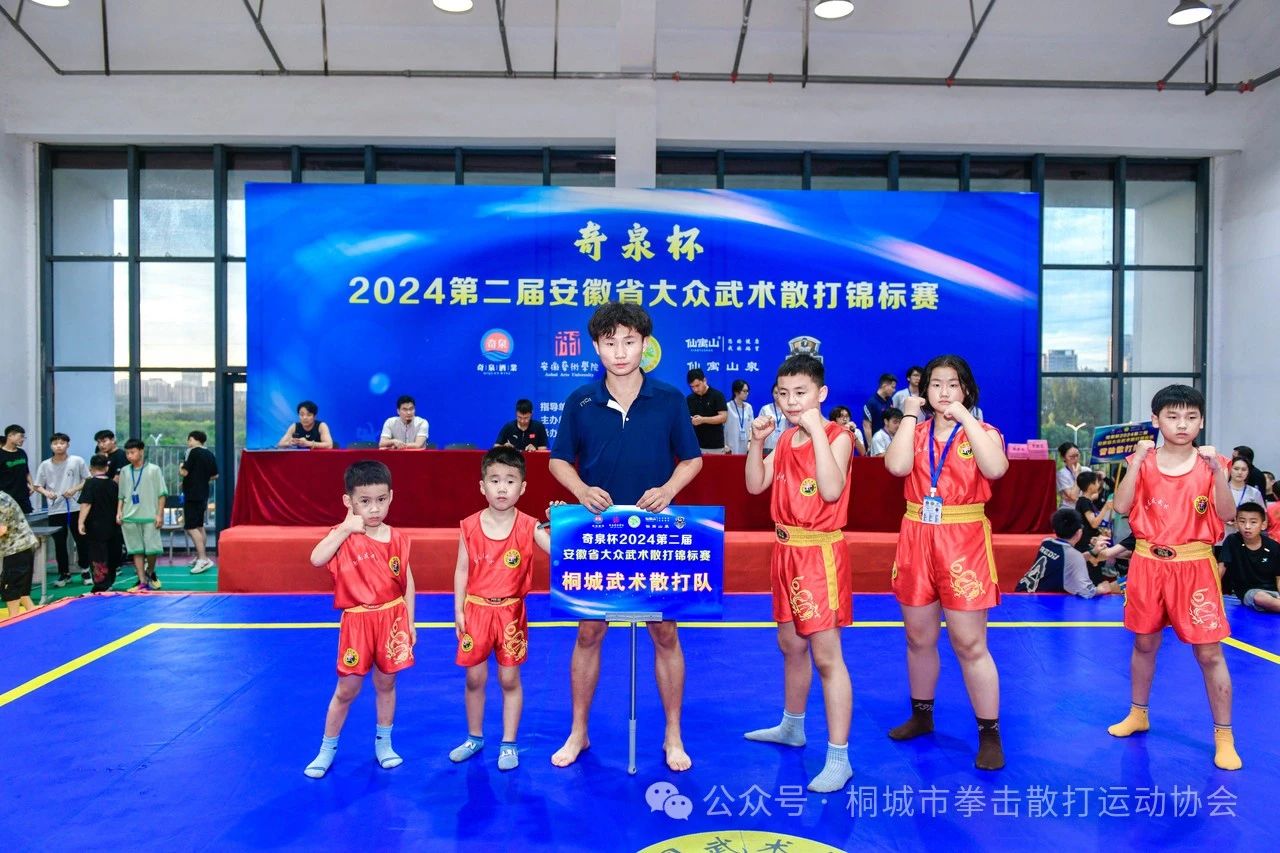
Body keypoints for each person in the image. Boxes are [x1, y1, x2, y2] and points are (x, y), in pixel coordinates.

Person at [548, 302, 703, 772]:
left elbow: (692, 459)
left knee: (665, 632)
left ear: (645, 345)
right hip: (598, 534)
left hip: (656, 535)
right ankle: (579, 731)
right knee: (589, 631)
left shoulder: (670, 399)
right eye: (610, 342)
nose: (620, 352)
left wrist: (668, 489)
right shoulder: (580, 401)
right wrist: (581, 490)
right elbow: (558, 460)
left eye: (629, 342)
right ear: (596, 348)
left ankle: (673, 734)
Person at [884, 354, 1009, 770]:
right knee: (918, 637)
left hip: (963, 540)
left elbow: (996, 468)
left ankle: (989, 733)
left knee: (970, 643)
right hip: (916, 535)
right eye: (935, 384)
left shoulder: (984, 432)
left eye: (952, 384)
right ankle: (922, 715)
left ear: (966, 390)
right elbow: (896, 466)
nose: (943, 391)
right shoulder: (915, 431)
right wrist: (908, 415)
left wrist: (966, 417)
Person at [1107, 384, 1240, 771]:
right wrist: (1136, 461)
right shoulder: (1141, 460)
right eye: (1173, 416)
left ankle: (1224, 735)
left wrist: (1218, 474)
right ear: (1156, 420)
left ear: (1201, 421)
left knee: (1209, 652)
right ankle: (1138, 713)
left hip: (1194, 566)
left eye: (1191, 417)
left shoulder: (1213, 463)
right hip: (1148, 563)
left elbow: (1228, 515)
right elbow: (1121, 506)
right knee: (1144, 643)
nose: (1182, 424)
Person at [742, 353, 856, 793]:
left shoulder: (839, 437)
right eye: (783, 394)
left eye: (801, 393)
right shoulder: (786, 438)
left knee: (827, 656)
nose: (791, 402)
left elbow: (830, 489)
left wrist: (816, 431)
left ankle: (839, 757)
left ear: (821, 393)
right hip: (785, 550)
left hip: (819, 553)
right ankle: (792, 725)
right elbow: (755, 484)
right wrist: (756, 443)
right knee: (790, 644)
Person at [303, 460, 416, 778]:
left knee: (386, 683)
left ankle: (384, 743)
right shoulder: (342, 537)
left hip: (392, 619)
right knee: (347, 689)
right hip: (357, 623)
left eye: (381, 499)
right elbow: (316, 558)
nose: (374, 508)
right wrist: (344, 528)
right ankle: (326, 749)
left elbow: (407, 581)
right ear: (349, 501)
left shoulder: (397, 538)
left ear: (391, 497)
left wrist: (410, 622)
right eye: (364, 501)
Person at [449, 447, 554, 771]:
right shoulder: (469, 526)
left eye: (510, 480)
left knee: (509, 679)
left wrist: (559, 523)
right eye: (494, 480)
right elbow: (462, 569)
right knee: (474, 678)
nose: (502, 488)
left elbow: (559, 551)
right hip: (476, 611)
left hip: (510, 613)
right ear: (482, 486)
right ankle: (474, 737)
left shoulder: (529, 526)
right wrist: (459, 610)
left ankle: (509, 743)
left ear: (523, 487)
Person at [1016, 508, 1120, 597]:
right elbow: (1087, 591)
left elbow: (1066, 560)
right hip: (1037, 601)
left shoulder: (1046, 542)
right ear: (1079, 532)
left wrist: (1093, 552)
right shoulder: (1073, 555)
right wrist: (1101, 589)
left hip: (1021, 592)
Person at [33, 432, 90, 587]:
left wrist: (74, 489)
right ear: (51, 446)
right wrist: (46, 493)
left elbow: (88, 479)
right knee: (59, 543)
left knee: (81, 540)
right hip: (55, 509)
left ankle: (85, 570)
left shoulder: (77, 461)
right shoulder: (45, 465)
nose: (58, 446)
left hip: (75, 507)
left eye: (62, 443)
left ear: (68, 445)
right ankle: (64, 573)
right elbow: (37, 485)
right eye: (55, 443)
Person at [116, 438, 167, 592]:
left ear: (141, 451)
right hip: (129, 516)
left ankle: (150, 571)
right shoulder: (125, 470)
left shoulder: (154, 470)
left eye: (132, 452)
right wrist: (119, 511)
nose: (129, 456)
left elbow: (162, 494)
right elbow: (121, 495)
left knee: (152, 550)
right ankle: (142, 581)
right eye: (127, 453)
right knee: (136, 550)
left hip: (150, 516)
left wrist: (159, 515)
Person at [1218, 502, 1280, 614]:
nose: (1247, 526)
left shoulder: (1273, 546)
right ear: (1236, 523)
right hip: (1250, 593)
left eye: (1253, 522)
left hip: (1274, 593)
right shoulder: (1232, 541)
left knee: (1268, 599)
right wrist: (1210, 592)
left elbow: (1278, 577)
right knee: (1260, 597)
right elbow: (1221, 568)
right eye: (1242, 521)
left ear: (1263, 524)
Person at [77, 454, 121, 593]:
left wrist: (80, 522)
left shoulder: (90, 483)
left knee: (97, 555)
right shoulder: (113, 484)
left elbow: (86, 504)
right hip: (112, 525)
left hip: (95, 526)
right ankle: (110, 581)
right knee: (111, 553)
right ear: (107, 468)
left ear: (91, 468)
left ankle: (101, 585)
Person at [180, 430, 219, 574]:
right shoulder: (209, 453)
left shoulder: (192, 451)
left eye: (189, 440)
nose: (188, 443)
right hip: (203, 493)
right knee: (199, 526)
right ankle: (199, 556)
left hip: (192, 494)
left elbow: (184, 472)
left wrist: (180, 466)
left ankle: (203, 559)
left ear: (194, 440)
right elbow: (215, 475)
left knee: (191, 527)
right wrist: (201, 479)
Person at [0, 490, 38, 619]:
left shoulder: (1, 500)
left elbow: (1, 529)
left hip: (17, 548)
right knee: (22, 592)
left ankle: (13, 620)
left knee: (12, 589)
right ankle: (34, 616)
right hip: (19, 547)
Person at [1074, 472, 1114, 583]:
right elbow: (1094, 523)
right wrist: (1105, 508)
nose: (1099, 484)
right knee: (1092, 575)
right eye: (1097, 482)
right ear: (1090, 486)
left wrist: (1102, 531)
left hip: (1090, 541)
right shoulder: (1084, 502)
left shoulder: (1087, 501)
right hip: (1086, 544)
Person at [686, 368, 728, 455]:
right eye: (692, 387)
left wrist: (702, 420)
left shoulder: (717, 395)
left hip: (715, 445)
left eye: (697, 385)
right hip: (695, 445)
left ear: (704, 380)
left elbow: (723, 417)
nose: (695, 389)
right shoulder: (689, 399)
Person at [0, 424, 34, 513]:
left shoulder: (22, 453)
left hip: (23, 497)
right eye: (21, 436)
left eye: (24, 437)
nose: (23, 439)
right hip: (5, 498)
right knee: (6, 521)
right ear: (10, 436)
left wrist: (31, 484)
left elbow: (26, 471)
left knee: (26, 520)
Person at [861, 373, 897, 449]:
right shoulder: (871, 403)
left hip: (888, 441)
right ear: (884, 385)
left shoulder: (890, 400)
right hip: (876, 444)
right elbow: (866, 425)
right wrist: (871, 446)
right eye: (892, 387)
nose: (894, 390)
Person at [1055, 442, 1090, 509]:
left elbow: (1095, 494)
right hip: (1068, 509)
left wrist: (1078, 499)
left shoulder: (1087, 470)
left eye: (1077, 455)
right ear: (1063, 457)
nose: (1076, 459)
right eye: (1071, 457)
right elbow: (1073, 496)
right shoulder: (1061, 474)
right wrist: (1078, 476)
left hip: (1085, 509)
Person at [724, 380, 754, 454]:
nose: (747, 393)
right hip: (730, 445)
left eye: (747, 391)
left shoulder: (748, 407)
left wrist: (750, 441)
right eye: (744, 391)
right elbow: (721, 427)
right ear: (736, 392)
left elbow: (752, 427)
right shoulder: (728, 406)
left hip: (745, 445)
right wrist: (724, 444)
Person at [758, 385, 786, 455]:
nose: (778, 396)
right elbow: (759, 427)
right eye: (776, 393)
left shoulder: (788, 409)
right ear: (772, 394)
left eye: (781, 393)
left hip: (784, 447)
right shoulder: (765, 409)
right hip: (768, 446)